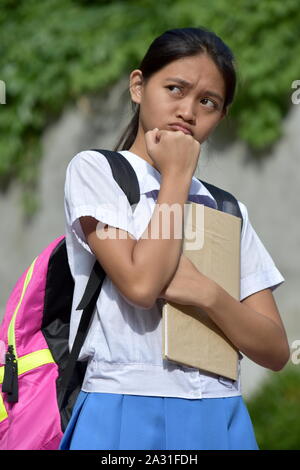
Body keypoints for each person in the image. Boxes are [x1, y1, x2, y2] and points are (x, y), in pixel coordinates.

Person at [59, 26, 290, 450]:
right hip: (124, 403)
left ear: (221, 116)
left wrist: (208, 293)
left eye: (208, 102)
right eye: (174, 89)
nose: (187, 110)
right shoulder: (98, 172)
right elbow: (142, 286)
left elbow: (275, 350)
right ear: (138, 86)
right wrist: (178, 174)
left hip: (219, 408)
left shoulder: (226, 208)